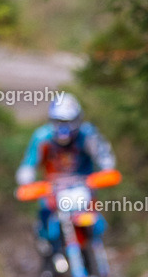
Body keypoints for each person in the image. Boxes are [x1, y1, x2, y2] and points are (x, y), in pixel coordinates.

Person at [15, 93, 115, 252]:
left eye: (68, 122)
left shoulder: (87, 134)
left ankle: (96, 248)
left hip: (82, 189)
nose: (64, 127)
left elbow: (103, 155)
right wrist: (26, 178)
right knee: (46, 221)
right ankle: (49, 250)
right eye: (59, 122)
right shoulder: (42, 137)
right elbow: (29, 163)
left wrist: (107, 169)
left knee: (96, 221)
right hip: (53, 191)